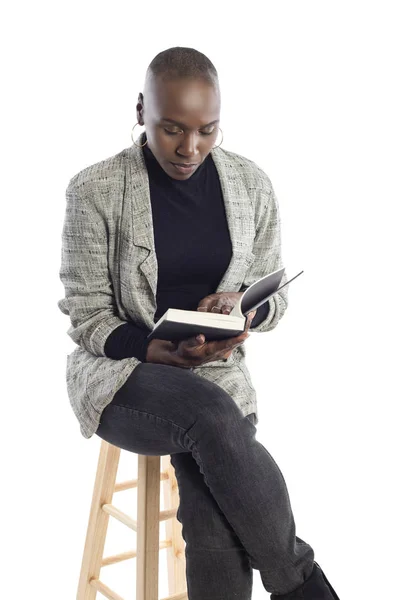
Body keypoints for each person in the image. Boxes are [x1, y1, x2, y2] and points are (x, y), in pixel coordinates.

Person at [57, 46, 340, 599]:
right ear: (141, 111)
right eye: (172, 130)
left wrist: (245, 308)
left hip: (217, 370)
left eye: (207, 130)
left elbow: (274, 299)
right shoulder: (95, 189)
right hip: (123, 373)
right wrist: (152, 348)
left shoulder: (250, 184)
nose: (190, 148)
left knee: (212, 514)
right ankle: (302, 584)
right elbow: (86, 312)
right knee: (214, 417)